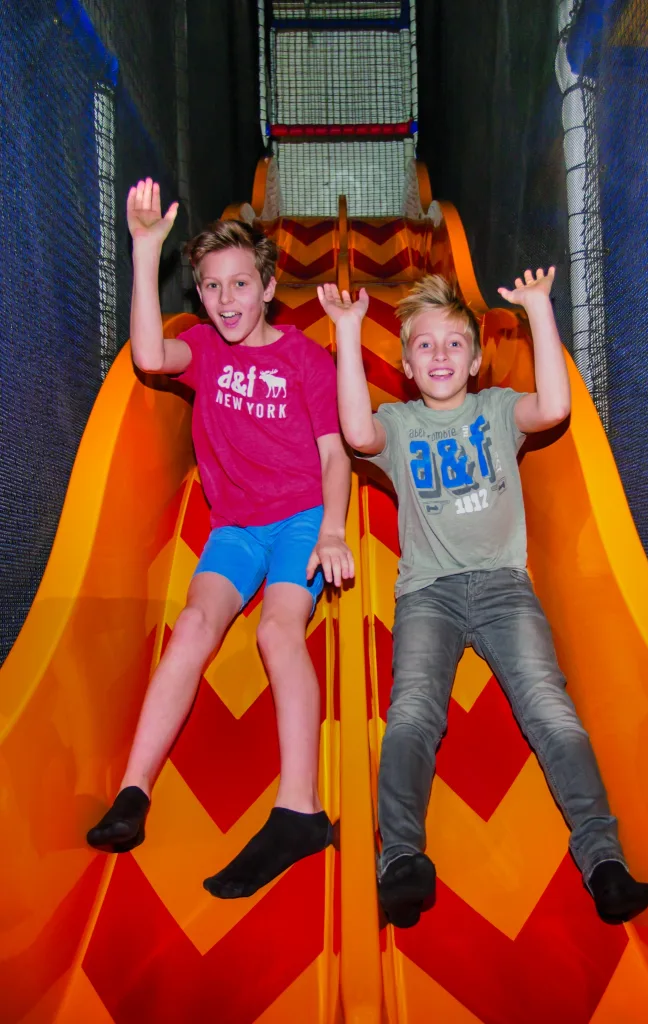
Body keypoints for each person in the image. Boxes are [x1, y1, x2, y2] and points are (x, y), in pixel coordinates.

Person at [318, 271, 648, 928]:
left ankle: (601, 857)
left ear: (474, 360)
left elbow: (553, 408)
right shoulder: (399, 422)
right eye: (422, 346)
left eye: (452, 345)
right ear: (407, 365)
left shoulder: (498, 410)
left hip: (504, 588)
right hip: (428, 594)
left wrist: (535, 310)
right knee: (413, 713)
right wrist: (348, 329)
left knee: (551, 711)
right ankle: (402, 858)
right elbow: (355, 436)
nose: (438, 355)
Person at [88, 179, 353, 900]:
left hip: (299, 519)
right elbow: (149, 354)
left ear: (268, 287)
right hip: (234, 528)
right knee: (193, 626)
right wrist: (146, 252)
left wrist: (330, 531)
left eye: (240, 284)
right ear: (199, 296)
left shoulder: (304, 360)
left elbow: (334, 453)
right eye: (210, 286)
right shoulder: (204, 350)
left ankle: (298, 809)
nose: (226, 299)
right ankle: (133, 792)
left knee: (277, 632)